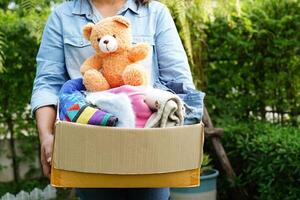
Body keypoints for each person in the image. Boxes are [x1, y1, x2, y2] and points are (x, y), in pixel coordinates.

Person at [30, 0, 195, 199]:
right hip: (89, 146)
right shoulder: (63, 17)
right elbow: (48, 83)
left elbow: (179, 83)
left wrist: (186, 134)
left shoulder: (154, 13)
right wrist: (46, 135)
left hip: (149, 147)